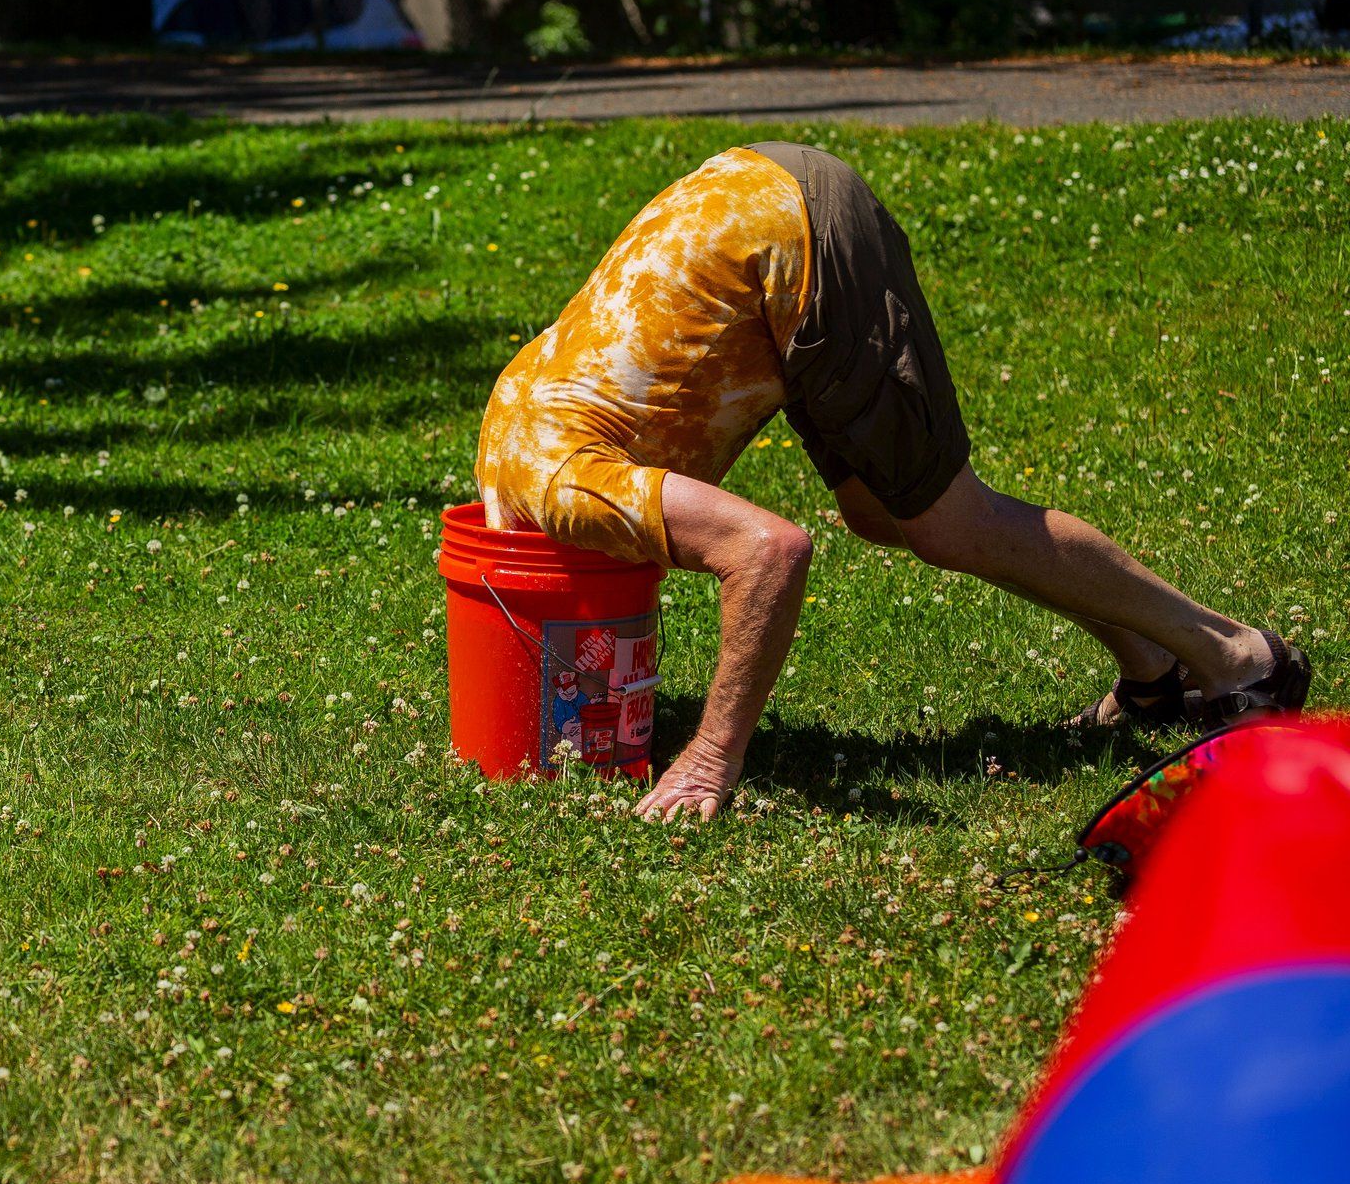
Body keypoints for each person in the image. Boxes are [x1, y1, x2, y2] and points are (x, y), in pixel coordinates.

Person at [474, 140, 1312, 823]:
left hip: (793, 235)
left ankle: (1238, 657)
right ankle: (1151, 667)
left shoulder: (559, 489)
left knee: (949, 521)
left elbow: (769, 551)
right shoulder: (504, 453)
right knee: (881, 512)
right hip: (743, 207)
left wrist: (707, 757)